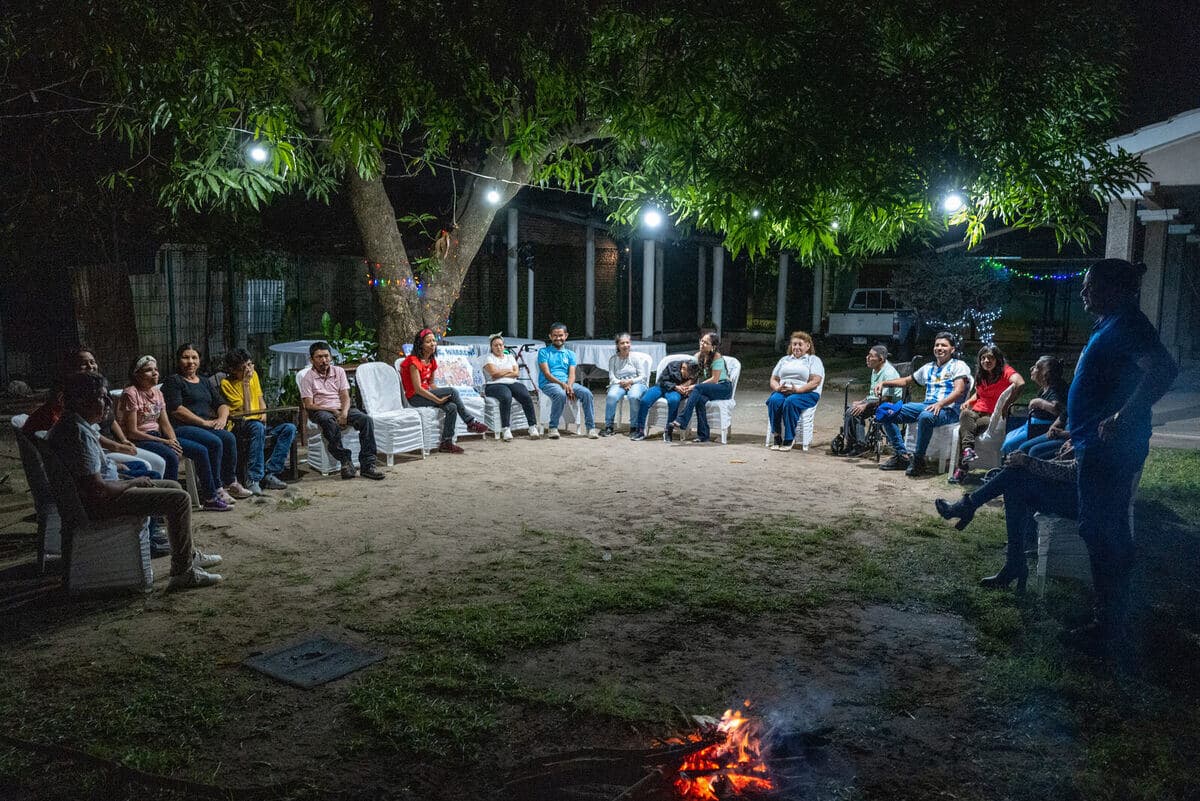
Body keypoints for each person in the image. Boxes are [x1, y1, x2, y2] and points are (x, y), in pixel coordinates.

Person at [1065, 258, 1176, 648]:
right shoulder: (1111, 323)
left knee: (1102, 529)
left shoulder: (1129, 323)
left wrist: (1121, 416)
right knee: (1099, 528)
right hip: (1093, 444)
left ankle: (1109, 623)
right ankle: (1109, 614)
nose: (1083, 292)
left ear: (1115, 289)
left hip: (1111, 447)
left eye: (1090, 285)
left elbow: (1163, 369)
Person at [49, 372, 224, 590]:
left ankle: (186, 554)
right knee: (178, 499)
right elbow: (98, 489)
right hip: (98, 504)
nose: (107, 404)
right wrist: (132, 482)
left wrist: (116, 468)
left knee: (173, 486)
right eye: (101, 398)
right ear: (82, 400)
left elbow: (89, 472)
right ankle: (183, 572)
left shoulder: (75, 424)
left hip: (94, 496)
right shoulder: (78, 434)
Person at [934, 446, 1077, 592]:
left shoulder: (1095, 428)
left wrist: (1028, 462)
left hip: (1083, 503)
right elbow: (1075, 466)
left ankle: (968, 506)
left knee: (1015, 477)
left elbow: (1073, 473)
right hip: (1077, 493)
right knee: (1014, 479)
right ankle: (1014, 563)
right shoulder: (1091, 428)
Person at [23, 346, 168, 478]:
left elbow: (111, 420)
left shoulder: (97, 388)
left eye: (92, 362)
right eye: (84, 363)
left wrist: (123, 440)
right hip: (98, 450)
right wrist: (117, 447)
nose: (90, 366)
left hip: (106, 446)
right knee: (152, 467)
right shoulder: (73, 399)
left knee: (149, 465)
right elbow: (83, 437)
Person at [119, 355, 231, 512]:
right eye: (148, 370)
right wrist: (166, 443)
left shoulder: (157, 394)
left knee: (201, 450)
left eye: (156, 369)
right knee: (171, 456)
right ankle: (169, 504)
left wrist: (173, 440)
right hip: (141, 439)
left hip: (159, 437)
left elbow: (164, 422)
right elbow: (132, 432)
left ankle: (210, 497)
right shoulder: (131, 393)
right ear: (137, 374)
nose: (155, 373)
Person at [163, 344, 253, 505]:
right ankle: (216, 487)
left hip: (206, 426)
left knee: (228, 437)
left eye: (194, 357)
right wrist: (204, 422)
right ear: (178, 360)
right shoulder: (173, 381)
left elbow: (222, 404)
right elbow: (177, 410)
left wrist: (222, 419)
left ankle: (230, 482)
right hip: (182, 427)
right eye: (186, 357)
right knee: (215, 441)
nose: (190, 362)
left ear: (199, 360)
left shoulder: (204, 381)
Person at [874, 331, 972, 476]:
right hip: (928, 405)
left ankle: (919, 461)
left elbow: (959, 391)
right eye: (937, 345)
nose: (939, 348)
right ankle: (902, 455)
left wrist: (940, 404)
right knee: (885, 411)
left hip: (949, 410)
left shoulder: (959, 366)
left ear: (952, 349)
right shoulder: (929, 367)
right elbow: (907, 380)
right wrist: (884, 383)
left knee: (926, 416)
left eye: (944, 345)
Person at [300, 341, 386, 477]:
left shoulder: (338, 371)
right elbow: (308, 404)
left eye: (326, 356)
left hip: (342, 407)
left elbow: (345, 396)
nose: (324, 360)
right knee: (328, 421)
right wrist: (334, 411)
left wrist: (344, 413)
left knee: (366, 420)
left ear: (331, 357)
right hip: (320, 410)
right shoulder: (307, 378)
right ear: (312, 360)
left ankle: (368, 465)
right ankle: (345, 459)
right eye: (319, 357)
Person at [399, 329, 490, 453]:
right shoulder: (413, 362)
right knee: (452, 391)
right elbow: (418, 389)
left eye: (433, 341)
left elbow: (431, 384)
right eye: (428, 342)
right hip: (415, 397)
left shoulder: (431, 360)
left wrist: (441, 394)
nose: (432, 344)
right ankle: (470, 421)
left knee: (452, 406)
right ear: (420, 344)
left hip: (426, 393)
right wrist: (438, 399)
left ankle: (446, 442)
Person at [220, 348, 297, 494]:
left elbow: (260, 398)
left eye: (250, 364)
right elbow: (247, 411)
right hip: (239, 425)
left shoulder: (254, 375)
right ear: (232, 370)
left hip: (259, 422)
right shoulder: (226, 384)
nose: (248, 370)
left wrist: (264, 414)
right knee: (256, 427)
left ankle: (269, 472)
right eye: (243, 368)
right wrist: (245, 384)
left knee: (289, 428)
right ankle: (253, 478)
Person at [950, 345, 1024, 483]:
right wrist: (970, 401)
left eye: (990, 358)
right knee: (965, 413)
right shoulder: (982, 374)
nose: (986, 361)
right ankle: (968, 452)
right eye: (983, 358)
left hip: (991, 417)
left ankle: (963, 465)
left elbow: (1020, 383)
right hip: (976, 412)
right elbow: (979, 393)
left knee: (964, 430)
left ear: (997, 360)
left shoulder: (1005, 371)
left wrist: (1007, 404)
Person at [837, 344, 903, 456]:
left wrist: (865, 406)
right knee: (850, 408)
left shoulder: (888, 373)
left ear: (880, 359)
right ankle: (851, 443)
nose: (867, 358)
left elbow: (886, 398)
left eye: (871, 356)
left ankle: (860, 445)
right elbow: (873, 394)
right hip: (877, 399)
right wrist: (863, 401)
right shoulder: (875, 369)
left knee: (855, 412)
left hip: (888, 404)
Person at [537, 322, 598, 439]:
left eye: (561, 335)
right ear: (550, 336)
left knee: (587, 393)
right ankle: (553, 427)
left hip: (567, 383)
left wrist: (569, 385)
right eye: (555, 335)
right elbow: (547, 374)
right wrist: (563, 385)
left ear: (566, 336)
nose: (558, 338)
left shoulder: (571, 354)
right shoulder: (544, 352)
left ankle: (591, 428)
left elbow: (572, 374)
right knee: (560, 394)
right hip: (549, 383)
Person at [765, 331, 825, 450]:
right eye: (794, 344)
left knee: (791, 401)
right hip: (784, 391)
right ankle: (777, 435)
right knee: (773, 400)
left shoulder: (813, 360)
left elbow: (815, 381)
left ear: (807, 346)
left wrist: (798, 390)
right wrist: (777, 388)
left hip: (806, 393)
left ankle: (789, 438)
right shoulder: (785, 360)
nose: (796, 347)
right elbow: (773, 379)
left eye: (800, 344)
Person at [670, 332, 733, 443]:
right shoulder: (698, 356)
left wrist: (695, 386)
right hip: (708, 388)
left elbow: (714, 379)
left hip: (723, 388)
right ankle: (703, 435)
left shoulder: (717, 357)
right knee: (699, 398)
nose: (702, 344)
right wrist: (684, 387)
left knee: (697, 389)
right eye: (702, 341)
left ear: (713, 347)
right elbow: (693, 376)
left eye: (706, 343)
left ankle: (682, 420)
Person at [1001, 355, 1068, 456]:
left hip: (1041, 427)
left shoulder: (1056, 388)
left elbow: (1057, 409)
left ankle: (1013, 466)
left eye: (1036, 367)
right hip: (1032, 423)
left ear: (1045, 373)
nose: (1031, 368)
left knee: (1010, 444)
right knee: (1008, 437)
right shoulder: (1045, 388)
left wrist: (1039, 402)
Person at [480, 334, 539, 441]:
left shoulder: (510, 357)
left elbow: (516, 374)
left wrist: (502, 372)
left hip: (512, 382)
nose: (498, 347)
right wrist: (509, 371)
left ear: (504, 346)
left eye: (501, 345)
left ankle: (532, 426)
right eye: (496, 345)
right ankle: (506, 428)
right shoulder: (489, 358)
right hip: (493, 385)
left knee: (525, 395)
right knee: (506, 396)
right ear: (491, 347)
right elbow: (494, 374)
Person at [630, 357, 696, 441]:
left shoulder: (694, 371)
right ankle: (640, 430)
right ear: (683, 368)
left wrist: (686, 388)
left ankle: (668, 431)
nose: (687, 376)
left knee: (674, 401)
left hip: (674, 391)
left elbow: (692, 384)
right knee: (644, 400)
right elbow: (663, 381)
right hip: (661, 387)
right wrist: (675, 386)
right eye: (687, 373)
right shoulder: (672, 365)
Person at [602, 332, 650, 436]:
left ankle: (634, 427)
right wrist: (622, 383)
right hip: (619, 383)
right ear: (617, 345)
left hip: (636, 382)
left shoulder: (635, 358)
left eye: (627, 342)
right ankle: (609, 426)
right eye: (622, 343)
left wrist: (630, 382)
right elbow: (612, 377)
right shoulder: (613, 359)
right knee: (611, 396)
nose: (625, 345)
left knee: (633, 396)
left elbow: (643, 376)